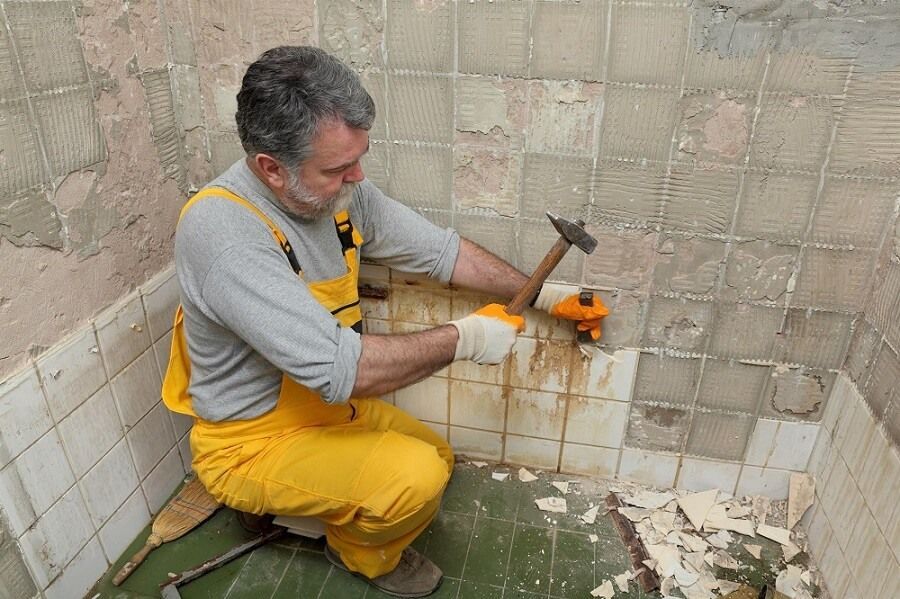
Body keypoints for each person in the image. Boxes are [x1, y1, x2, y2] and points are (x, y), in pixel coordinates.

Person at [162, 45, 608, 598]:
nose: (358, 174)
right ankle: (356, 553)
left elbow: (441, 253)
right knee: (411, 481)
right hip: (253, 440)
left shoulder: (339, 194)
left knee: (438, 461)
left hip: (323, 408)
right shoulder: (225, 233)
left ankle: (305, 512)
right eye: (337, 167)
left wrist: (541, 294)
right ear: (272, 169)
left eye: (359, 156)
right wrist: (467, 338)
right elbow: (343, 371)